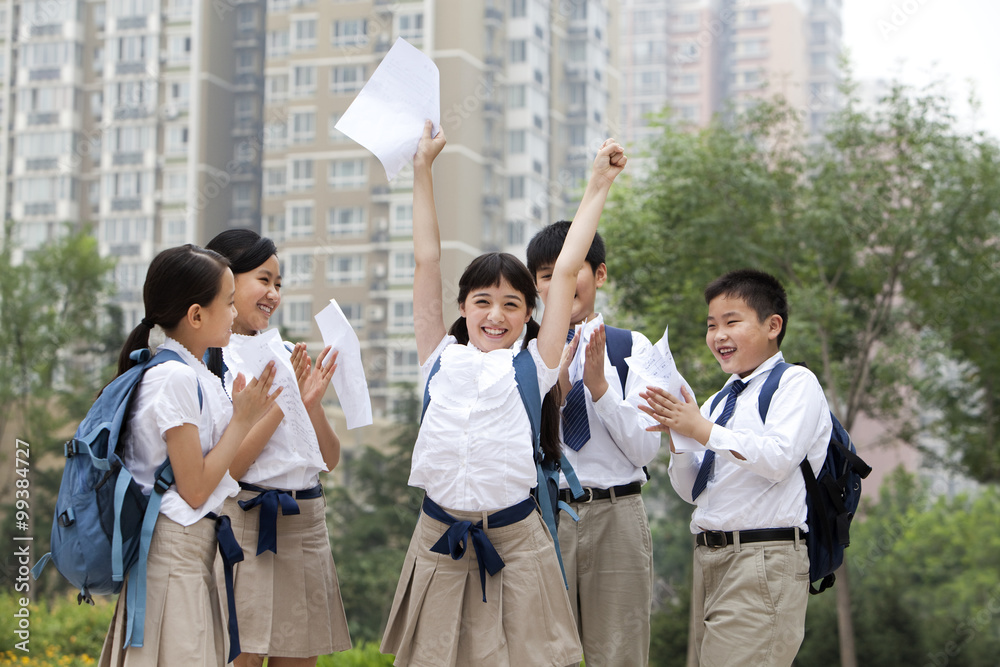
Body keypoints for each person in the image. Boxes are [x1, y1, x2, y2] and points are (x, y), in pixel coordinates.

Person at [379, 121, 626, 667]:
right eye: (482, 301)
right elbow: (426, 260)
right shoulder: (437, 358)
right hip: (439, 536)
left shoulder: (535, 365)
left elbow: (564, 273)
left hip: (516, 540)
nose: (496, 315)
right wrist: (423, 170)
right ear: (463, 307)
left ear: (529, 315)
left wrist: (598, 184)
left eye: (512, 303)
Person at [639, 269, 832, 666]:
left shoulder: (796, 383)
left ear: (772, 326)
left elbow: (778, 459)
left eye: (732, 322)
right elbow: (693, 491)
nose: (718, 336)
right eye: (712, 325)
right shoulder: (717, 401)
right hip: (711, 560)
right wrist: (679, 435)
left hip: (763, 557)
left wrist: (701, 429)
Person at [100, 244, 280, 666]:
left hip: (187, 554)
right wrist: (240, 421)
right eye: (229, 303)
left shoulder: (191, 373)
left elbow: (220, 471)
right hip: (173, 557)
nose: (235, 314)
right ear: (196, 315)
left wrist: (247, 417)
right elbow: (196, 488)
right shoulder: (176, 379)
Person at [204, 229, 352, 667]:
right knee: (242, 656)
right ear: (227, 282)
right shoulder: (215, 360)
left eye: (279, 284)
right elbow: (230, 467)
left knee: (299, 657)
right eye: (263, 279)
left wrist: (308, 403)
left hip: (305, 522)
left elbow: (328, 458)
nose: (273, 293)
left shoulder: (287, 352)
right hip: (248, 521)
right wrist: (282, 402)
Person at [524, 222, 660, 665]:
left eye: (570, 268)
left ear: (599, 274)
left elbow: (645, 452)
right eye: (546, 274)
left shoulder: (632, 348)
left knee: (619, 653)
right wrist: (551, 388)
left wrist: (601, 389)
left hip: (617, 515)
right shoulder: (520, 356)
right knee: (541, 653)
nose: (558, 281)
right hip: (543, 516)